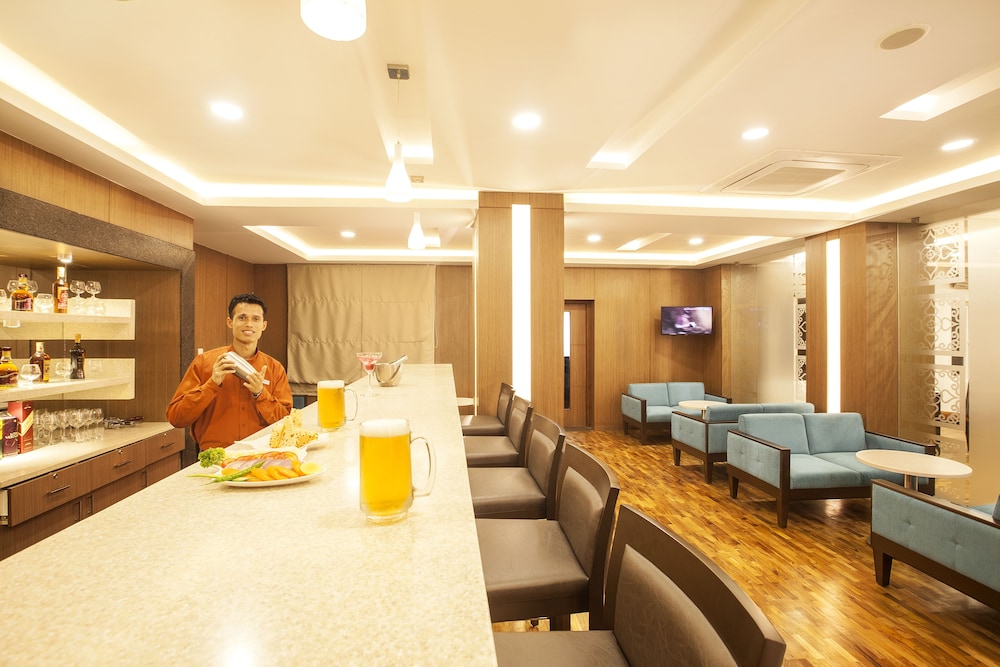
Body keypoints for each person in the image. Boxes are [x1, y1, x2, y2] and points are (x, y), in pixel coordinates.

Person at [167, 293, 292, 450]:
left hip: (262, 455)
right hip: (216, 456)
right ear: (230, 322)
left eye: (255, 319)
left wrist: (260, 393)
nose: (249, 324)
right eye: (242, 318)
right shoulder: (204, 362)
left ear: (263, 325)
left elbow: (285, 422)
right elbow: (176, 418)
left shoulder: (274, 368)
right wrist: (212, 384)